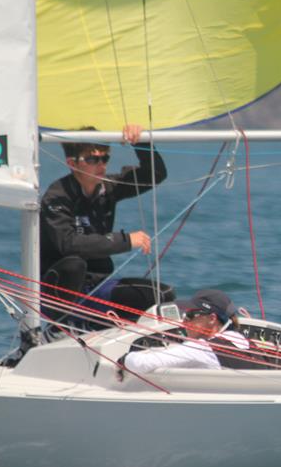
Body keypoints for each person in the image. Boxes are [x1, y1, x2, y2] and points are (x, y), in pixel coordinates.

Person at [39, 124, 173, 332]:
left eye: (105, 158)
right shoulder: (57, 197)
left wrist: (141, 142)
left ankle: (102, 328)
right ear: (71, 163)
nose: (101, 165)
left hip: (96, 287)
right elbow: (69, 244)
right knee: (74, 264)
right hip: (57, 291)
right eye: (92, 160)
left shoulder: (108, 188)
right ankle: (60, 329)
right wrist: (125, 240)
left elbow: (155, 174)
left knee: (162, 295)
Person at [119, 289, 249, 376]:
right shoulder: (249, 344)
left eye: (190, 315)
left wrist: (124, 359)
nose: (183, 322)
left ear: (212, 319)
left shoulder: (201, 349)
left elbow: (142, 364)